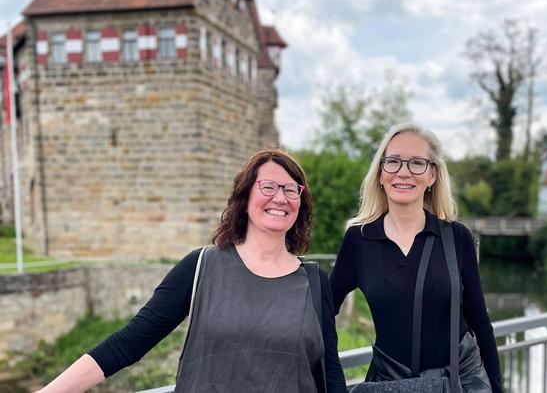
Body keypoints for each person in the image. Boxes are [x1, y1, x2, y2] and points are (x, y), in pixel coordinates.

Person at [36, 149, 346, 393]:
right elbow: (128, 343)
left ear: (300, 203)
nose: (280, 197)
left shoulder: (314, 283)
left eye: (291, 190)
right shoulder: (201, 267)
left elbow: (329, 375)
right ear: (245, 195)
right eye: (268, 186)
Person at [330, 123, 503, 392]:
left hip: (458, 383)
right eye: (393, 162)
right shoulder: (359, 240)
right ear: (380, 173)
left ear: (432, 175)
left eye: (417, 163)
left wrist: (497, 388)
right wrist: (333, 381)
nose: (403, 172)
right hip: (391, 384)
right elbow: (324, 313)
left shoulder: (457, 237)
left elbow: (481, 322)